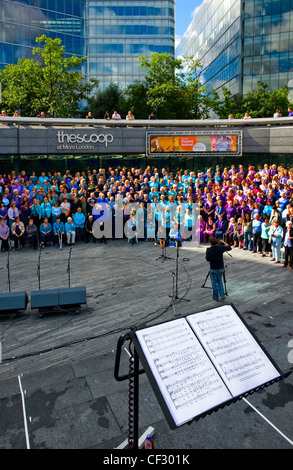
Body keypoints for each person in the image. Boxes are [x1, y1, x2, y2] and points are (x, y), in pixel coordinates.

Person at [205, 237, 232, 301]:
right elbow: (229, 247)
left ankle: (215, 296)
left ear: (210, 243)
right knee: (220, 281)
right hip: (220, 267)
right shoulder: (220, 248)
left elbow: (207, 259)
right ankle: (222, 295)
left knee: (214, 282)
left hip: (213, 268)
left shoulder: (209, 250)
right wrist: (223, 242)